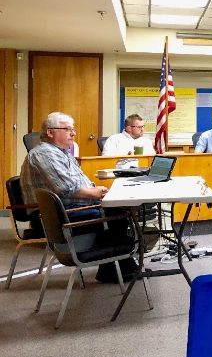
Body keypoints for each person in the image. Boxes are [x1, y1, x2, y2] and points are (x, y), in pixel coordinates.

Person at [20, 112, 135, 283]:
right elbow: (67, 188)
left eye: (73, 129)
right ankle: (120, 267)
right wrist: (98, 193)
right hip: (61, 217)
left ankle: (115, 268)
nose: (73, 133)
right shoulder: (44, 154)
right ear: (50, 132)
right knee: (119, 214)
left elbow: (81, 182)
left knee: (117, 211)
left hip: (70, 209)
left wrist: (97, 191)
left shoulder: (62, 152)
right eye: (67, 129)